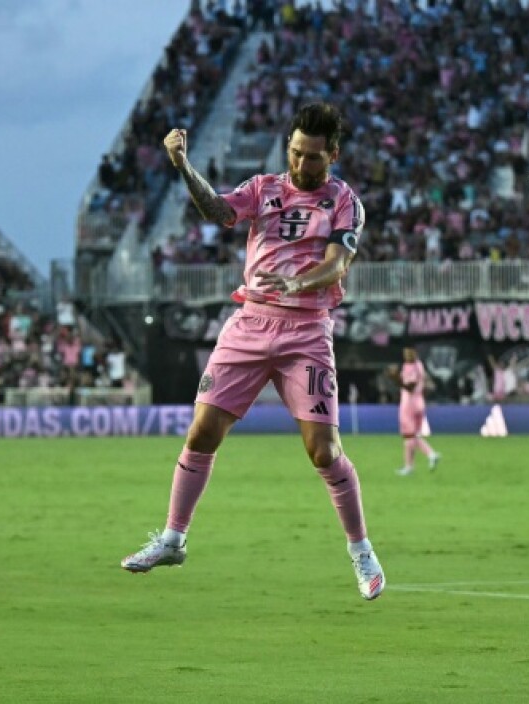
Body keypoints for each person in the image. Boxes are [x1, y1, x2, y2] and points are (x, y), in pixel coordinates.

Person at [121, 102, 385, 600]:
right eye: (294, 152)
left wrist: (295, 280)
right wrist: (183, 165)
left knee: (323, 451)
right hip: (249, 324)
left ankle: (362, 552)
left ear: (332, 154)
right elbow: (219, 211)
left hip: (306, 329)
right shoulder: (263, 188)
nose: (300, 164)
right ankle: (173, 539)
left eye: (311, 157)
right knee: (201, 432)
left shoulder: (344, 201)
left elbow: (335, 266)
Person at [388, 347, 440, 476]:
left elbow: (409, 387)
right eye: (405, 353)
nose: (406, 355)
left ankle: (425, 457)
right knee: (413, 435)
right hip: (419, 403)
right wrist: (396, 376)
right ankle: (414, 463)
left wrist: (395, 378)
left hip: (409, 405)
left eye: (409, 352)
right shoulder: (416, 365)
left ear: (415, 353)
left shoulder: (414, 367)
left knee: (408, 436)